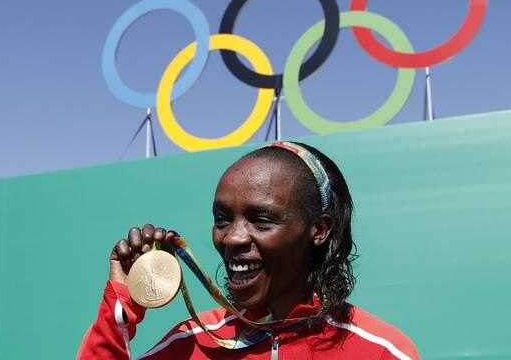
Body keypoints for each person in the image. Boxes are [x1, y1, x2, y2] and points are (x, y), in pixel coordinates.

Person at [77, 141, 419, 359]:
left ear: (319, 230)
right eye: (222, 219)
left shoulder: (381, 351)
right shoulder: (190, 343)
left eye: (262, 219)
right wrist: (120, 308)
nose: (233, 239)